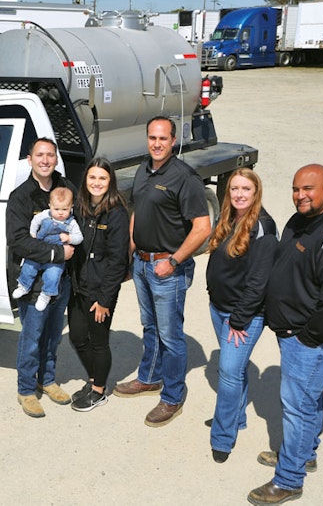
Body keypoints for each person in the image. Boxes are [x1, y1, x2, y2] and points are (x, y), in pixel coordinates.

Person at [248, 164, 323, 505]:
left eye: (309, 189)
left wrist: (308, 338)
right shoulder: (302, 220)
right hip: (296, 332)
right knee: (308, 397)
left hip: (316, 338)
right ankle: (303, 454)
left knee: (297, 406)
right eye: (296, 188)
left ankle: (289, 479)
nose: (300, 195)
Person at [113, 116, 211, 428]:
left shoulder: (185, 178)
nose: (157, 144)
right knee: (150, 326)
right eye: (152, 138)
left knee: (170, 335)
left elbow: (202, 228)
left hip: (167, 267)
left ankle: (172, 395)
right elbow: (137, 213)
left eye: (163, 139)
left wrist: (174, 261)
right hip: (142, 263)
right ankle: (150, 378)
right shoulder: (144, 168)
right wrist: (130, 257)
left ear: (173, 141)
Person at [204, 168, 278, 462]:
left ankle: (222, 437)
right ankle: (237, 418)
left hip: (242, 317)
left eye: (246, 189)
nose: (239, 194)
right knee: (236, 369)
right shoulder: (229, 217)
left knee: (229, 373)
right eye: (234, 189)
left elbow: (260, 281)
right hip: (219, 309)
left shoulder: (263, 226)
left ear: (256, 192)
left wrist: (239, 319)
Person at [7, 138, 76, 418]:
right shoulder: (21, 196)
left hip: (61, 280)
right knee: (32, 336)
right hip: (33, 281)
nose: (45, 160)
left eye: (50, 155)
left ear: (56, 158)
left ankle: (47, 379)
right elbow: (19, 241)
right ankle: (26, 389)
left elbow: (78, 224)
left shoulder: (67, 189)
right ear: (30, 159)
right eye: (40, 155)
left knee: (53, 334)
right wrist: (59, 252)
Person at [66, 157, 129, 412]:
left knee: (98, 341)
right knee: (78, 336)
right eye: (92, 177)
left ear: (110, 182)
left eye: (102, 178)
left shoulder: (116, 213)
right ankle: (93, 379)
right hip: (78, 286)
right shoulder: (79, 207)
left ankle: (100, 390)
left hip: (101, 290)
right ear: (85, 180)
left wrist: (104, 300)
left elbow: (117, 262)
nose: (97, 183)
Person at [12, 186, 83, 312]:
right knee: (29, 266)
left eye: (65, 209)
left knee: (53, 274)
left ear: (71, 207)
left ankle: (46, 294)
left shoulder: (71, 223)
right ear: (50, 205)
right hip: (40, 249)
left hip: (57, 256)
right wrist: (32, 233)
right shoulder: (45, 215)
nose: (60, 213)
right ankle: (24, 285)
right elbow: (35, 221)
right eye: (56, 209)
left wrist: (69, 238)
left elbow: (79, 237)